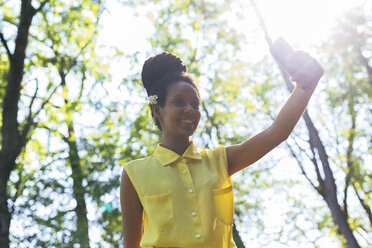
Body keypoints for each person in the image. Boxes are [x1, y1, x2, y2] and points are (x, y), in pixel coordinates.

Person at [120, 51, 323, 248]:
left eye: (195, 104)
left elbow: (275, 134)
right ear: (157, 109)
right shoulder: (134, 174)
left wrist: (305, 87)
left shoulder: (219, 161)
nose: (190, 109)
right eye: (179, 102)